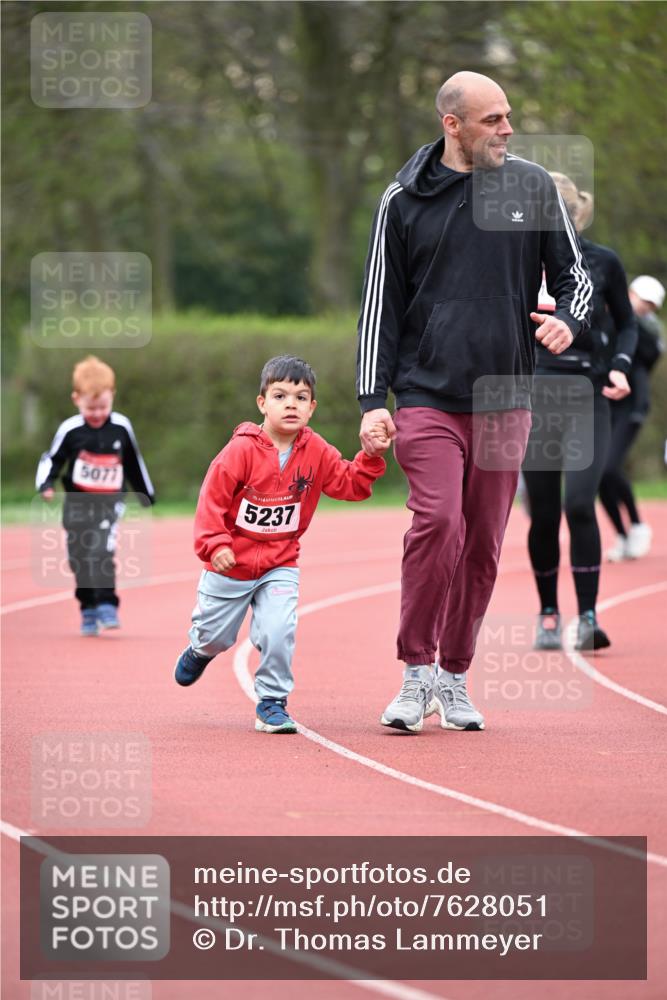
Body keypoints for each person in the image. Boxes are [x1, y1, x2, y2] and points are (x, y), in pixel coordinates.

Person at [356, 71, 593, 733]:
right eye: (491, 119)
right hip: (426, 393)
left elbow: (575, 279)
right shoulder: (402, 199)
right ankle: (413, 673)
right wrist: (373, 397)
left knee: (484, 542)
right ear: (451, 125)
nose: (507, 129)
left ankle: (453, 677)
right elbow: (379, 306)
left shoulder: (532, 185)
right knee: (438, 524)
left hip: (504, 395)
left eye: (508, 117)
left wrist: (567, 323)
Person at [174, 355, 388, 734]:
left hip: (280, 564)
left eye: (301, 397)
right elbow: (212, 500)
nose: (291, 404)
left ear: (312, 408)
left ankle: (271, 702)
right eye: (280, 395)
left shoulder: (316, 450)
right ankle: (200, 649)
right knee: (217, 636)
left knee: (278, 630)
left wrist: (370, 457)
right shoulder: (239, 451)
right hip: (230, 564)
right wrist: (215, 544)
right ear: (262, 403)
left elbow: (350, 484)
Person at [522, 174, 636, 652]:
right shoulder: (516, 261)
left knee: (578, 504)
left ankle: (588, 617)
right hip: (532, 398)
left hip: (587, 393)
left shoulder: (602, 261)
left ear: (572, 212)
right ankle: (549, 614)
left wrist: (621, 367)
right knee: (544, 514)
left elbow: (628, 325)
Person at [36, 355, 155, 636]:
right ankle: (88, 607)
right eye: (91, 408)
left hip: (109, 504)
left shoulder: (121, 427)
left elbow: (134, 462)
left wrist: (145, 494)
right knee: (79, 557)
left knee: (100, 551)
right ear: (76, 399)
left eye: (103, 406)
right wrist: (46, 485)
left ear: (112, 396)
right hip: (77, 506)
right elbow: (51, 460)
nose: (98, 414)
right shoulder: (71, 430)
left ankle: (106, 604)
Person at [599, 275, 665, 561]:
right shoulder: (606, 315)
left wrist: (627, 318)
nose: (645, 307)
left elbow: (648, 354)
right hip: (604, 403)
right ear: (629, 293)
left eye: (651, 305)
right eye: (642, 300)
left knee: (609, 467)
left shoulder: (648, 329)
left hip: (632, 407)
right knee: (599, 476)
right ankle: (623, 536)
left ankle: (637, 524)